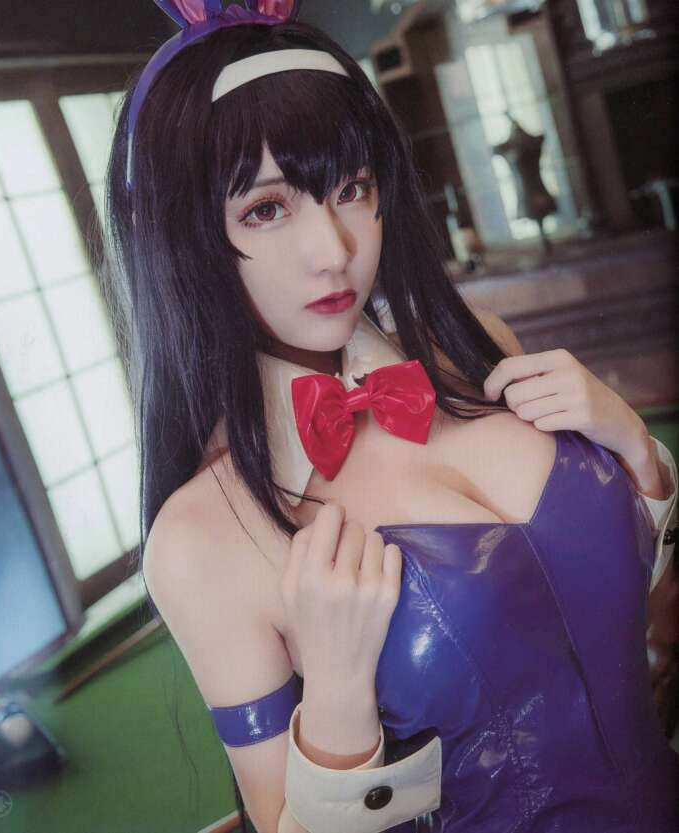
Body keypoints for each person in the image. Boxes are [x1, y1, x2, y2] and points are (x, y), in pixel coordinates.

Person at [103, 2, 679, 831]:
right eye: (266, 209)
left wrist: (637, 455)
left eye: (352, 188)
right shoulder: (201, 536)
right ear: (182, 239)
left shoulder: (479, 348)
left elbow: (626, 613)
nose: (334, 249)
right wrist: (338, 698)